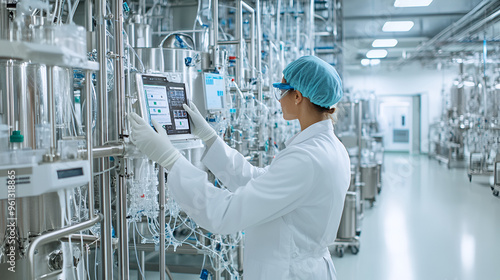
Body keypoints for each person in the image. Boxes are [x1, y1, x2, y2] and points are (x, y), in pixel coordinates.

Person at [128, 55, 350, 279]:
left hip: (288, 271)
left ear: (298, 96)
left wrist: (170, 159)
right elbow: (257, 181)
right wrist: (210, 138)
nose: (279, 99)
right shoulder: (329, 148)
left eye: (281, 91)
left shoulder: (306, 158)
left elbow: (224, 214)